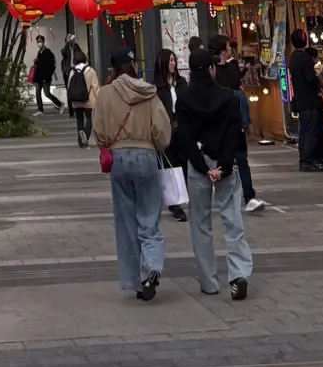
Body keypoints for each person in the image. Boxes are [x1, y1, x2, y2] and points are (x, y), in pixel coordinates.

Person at [173, 47, 253, 302]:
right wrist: (225, 166)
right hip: (225, 162)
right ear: (211, 68)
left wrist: (202, 166)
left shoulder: (183, 100)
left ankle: (209, 282)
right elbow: (234, 132)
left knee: (200, 223)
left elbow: (183, 137)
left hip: (199, 164)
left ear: (190, 70)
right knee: (232, 220)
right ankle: (239, 274)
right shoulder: (228, 97)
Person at [92, 47, 171, 302]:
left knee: (126, 221)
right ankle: (153, 268)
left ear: (112, 69)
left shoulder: (104, 94)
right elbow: (162, 130)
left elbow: (100, 132)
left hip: (119, 159)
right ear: (133, 66)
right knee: (149, 217)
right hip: (146, 155)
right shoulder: (148, 92)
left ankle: (136, 281)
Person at [210, 36, 265, 213]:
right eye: (228, 48)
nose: (231, 50)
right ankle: (225, 196)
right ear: (222, 51)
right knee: (221, 161)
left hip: (233, 122)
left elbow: (233, 84)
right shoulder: (212, 68)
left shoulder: (231, 66)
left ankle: (249, 196)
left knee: (241, 159)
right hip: (219, 123)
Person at [288, 28, 323, 171]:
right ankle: (309, 159)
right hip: (310, 100)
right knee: (311, 131)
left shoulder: (293, 57)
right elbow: (310, 79)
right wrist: (320, 78)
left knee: (304, 131)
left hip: (300, 100)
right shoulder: (305, 58)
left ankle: (306, 158)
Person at [152, 50, 188, 222]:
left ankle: (184, 196)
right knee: (170, 167)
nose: (173, 63)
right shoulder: (156, 88)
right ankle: (175, 206)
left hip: (183, 128)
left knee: (185, 164)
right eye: (170, 60)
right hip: (167, 131)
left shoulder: (181, 83)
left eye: (175, 60)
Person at [64, 46, 99, 147]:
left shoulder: (72, 71)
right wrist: (99, 99)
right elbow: (95, 87)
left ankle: (81, 141)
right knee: (90, 119)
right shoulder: (90, 71)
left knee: (79, 121)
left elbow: (69, 86)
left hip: (76, 101)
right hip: (89, 100)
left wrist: (69, 101)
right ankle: (86, 137)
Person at [31, 34, 59, 113]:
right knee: (38, 93)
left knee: (47, 94)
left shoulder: (48, 52)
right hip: (39, 78)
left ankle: (59, 104)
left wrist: (47, 76)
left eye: (40, 41)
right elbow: (39, 65)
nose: (39, 43)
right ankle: (40, 109)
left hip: (46, 78)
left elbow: (51, 66)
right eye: (37, 42)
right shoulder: (39, 52)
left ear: (43, 42)